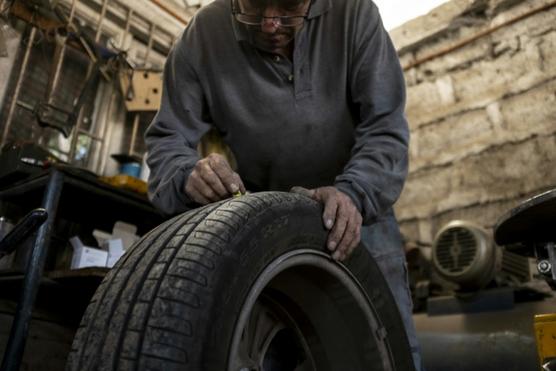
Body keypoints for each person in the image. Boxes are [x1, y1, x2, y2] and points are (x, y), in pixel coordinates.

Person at [145, 0, 423, 368]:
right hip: (264, 226)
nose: (270, 24)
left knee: (386, 356)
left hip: (357, 215)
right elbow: (167, 139)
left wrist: (354, 193)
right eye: (253, 6)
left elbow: (385, 130)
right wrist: (185, 176)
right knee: (265, 355)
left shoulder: (354, 13)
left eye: (289, 7)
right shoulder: (202, 36)